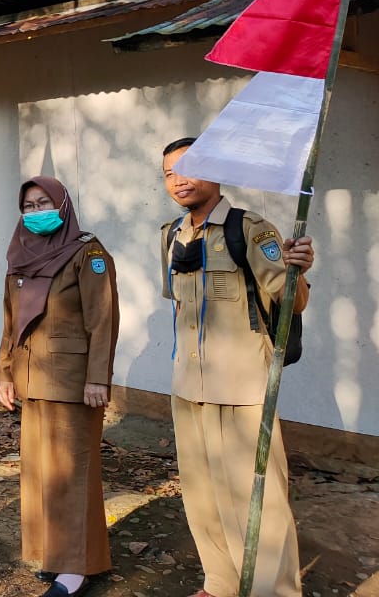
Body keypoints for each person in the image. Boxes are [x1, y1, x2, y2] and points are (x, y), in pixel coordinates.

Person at [161, 137, 314, 597]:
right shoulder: (172, 235)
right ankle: (221, 582)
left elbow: (293, 303)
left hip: (243, 388)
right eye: (169, 172)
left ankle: (274, 591)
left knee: (259, 503)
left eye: (189, 167)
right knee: (202, 495)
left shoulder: (251, 230)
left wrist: (297, 270)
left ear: (217, 170)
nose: (179, 179)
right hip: (188, 388)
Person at [0, 176, 119, 597]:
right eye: (28, 205)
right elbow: (10, 324)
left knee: (73, 473)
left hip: (73, 382)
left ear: (63, 204)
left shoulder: (88, 252)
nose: (35, 212)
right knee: (42, 473)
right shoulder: (19, 254)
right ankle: (55, 554)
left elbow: (102, 319)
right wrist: (4, 373)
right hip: (31, 379)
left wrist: (98, 377)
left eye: (43, 202)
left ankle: (76, 567)